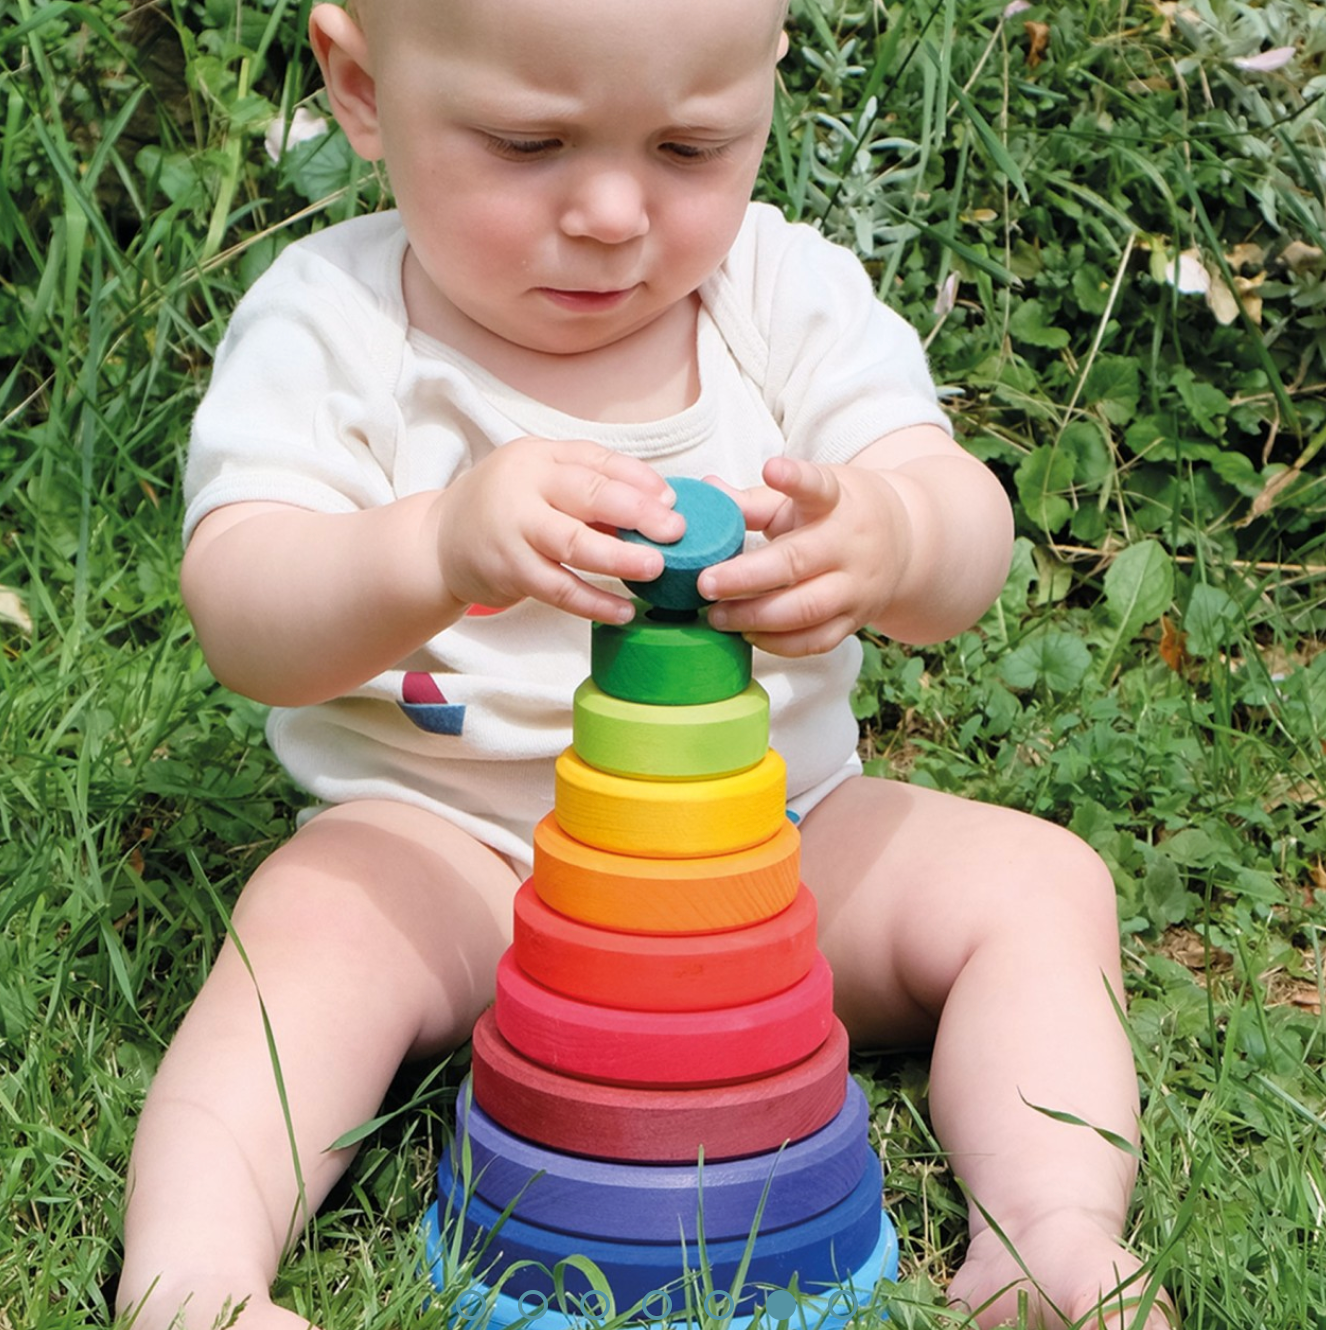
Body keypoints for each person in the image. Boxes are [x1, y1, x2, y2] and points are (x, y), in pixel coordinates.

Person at [116, 1, 1175, 1326]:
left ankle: (1050, 1236)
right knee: (308, 930)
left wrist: (891, 534)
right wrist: (432, 546)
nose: (615, 210)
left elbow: (958, 537)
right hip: (460, 859)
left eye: (688, 146)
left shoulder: (780, 296)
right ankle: (195, 1274)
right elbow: (244, 611)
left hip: (775, 860)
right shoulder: (333, 322)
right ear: (362, 85)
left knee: (1037, 882)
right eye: (527, 141)